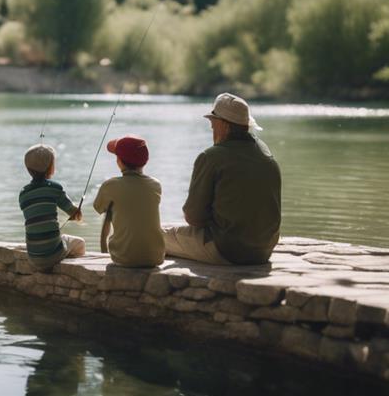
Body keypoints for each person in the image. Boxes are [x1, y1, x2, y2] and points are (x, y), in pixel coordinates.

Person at [162, 93, 281, 265]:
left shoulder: (211, 157)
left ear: (224, 125)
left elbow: (193, 217)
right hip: (264, 250)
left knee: (154, 237)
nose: (211, 129)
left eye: (213, 123)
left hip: (227, 250)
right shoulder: (265, 152)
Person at [92, 135, 165, 267]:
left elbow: (98, 207)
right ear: (145, 161)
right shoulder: (156, 185)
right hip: (156, 258)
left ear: (119, 161)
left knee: (111, 209)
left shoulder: (110, 185)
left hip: (123, 258)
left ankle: (104, 253)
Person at [18, 144, 85, 272]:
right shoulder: (54, 188)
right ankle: (66, 269)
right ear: (51, 168)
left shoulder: (23, 193)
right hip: (53, 254)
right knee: (79, 243)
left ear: (28, 169)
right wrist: (77, 211)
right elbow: (73, 212)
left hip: (33, 256)